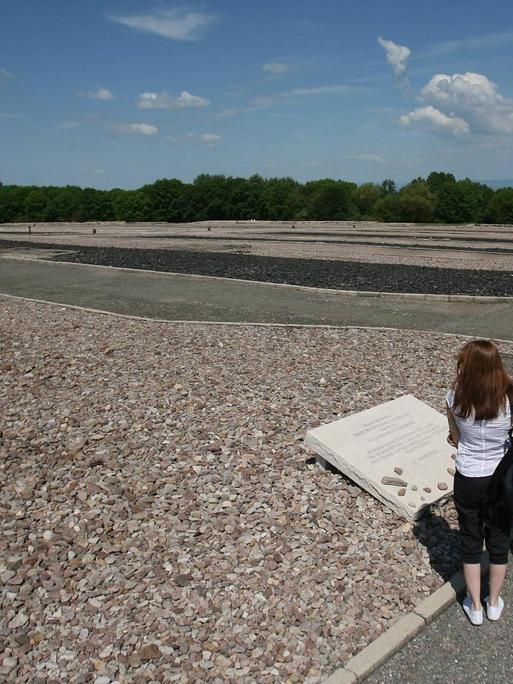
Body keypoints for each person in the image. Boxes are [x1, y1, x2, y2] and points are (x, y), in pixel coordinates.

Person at [446, 339, 513, 625]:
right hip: (502, 478)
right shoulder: (509, 396)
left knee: (471, 540)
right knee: (499, 541)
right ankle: (494, 602)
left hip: (469, 476)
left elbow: (456, 439)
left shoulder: (454, 396)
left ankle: (474, 606)